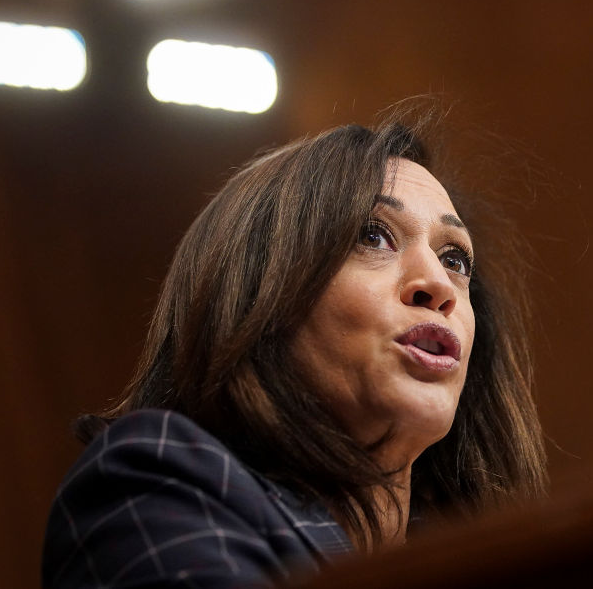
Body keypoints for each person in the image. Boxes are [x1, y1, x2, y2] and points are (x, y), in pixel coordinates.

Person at [42, 113, 547, 588]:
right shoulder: (155, 483)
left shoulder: (486, 553)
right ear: (260, 297)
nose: (438, 284)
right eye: (374, 235)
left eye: (454, 258)